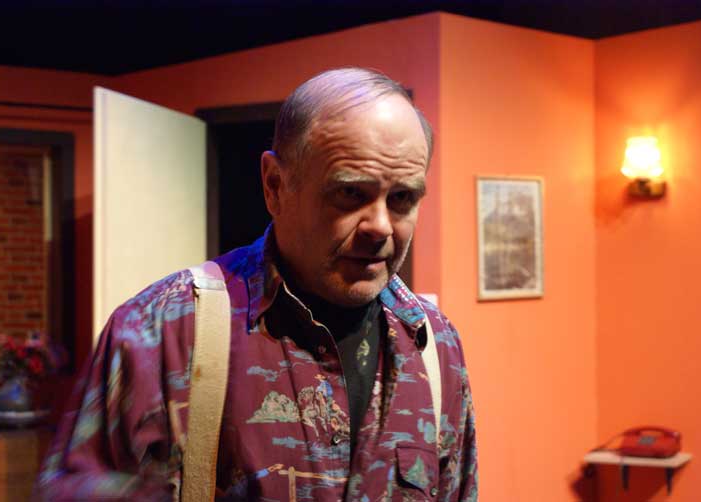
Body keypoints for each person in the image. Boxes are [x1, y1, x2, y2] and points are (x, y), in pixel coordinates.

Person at [35, 67, 478, 501]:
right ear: (275, 185)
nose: (380, 226)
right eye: (350, 193)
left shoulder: (435, 344)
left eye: (402, 198)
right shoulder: (162, 331)